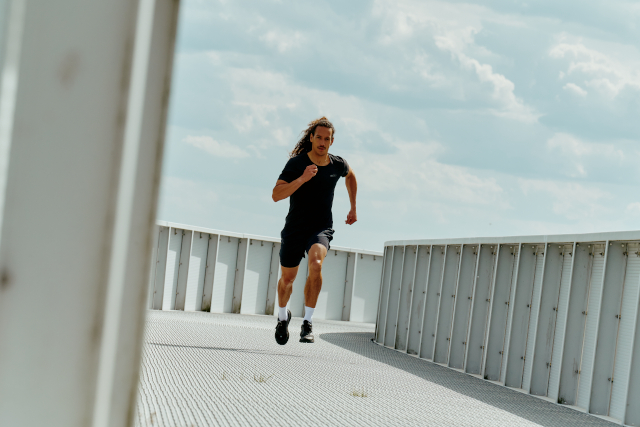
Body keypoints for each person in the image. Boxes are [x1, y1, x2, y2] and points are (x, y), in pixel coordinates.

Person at [271, 117, 357, 344]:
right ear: (311, 137)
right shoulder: (297, 164)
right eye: (318, 137)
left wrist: (353, 207)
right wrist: (302, 178)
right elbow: (276, 195)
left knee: (316, 263)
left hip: (321, 227)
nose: (322, 142)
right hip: (295, 228)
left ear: (332, 141)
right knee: (287, 280)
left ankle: (307, 322)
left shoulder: (337, 164)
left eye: (326, 138)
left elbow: (351, 176)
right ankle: (282, 317)